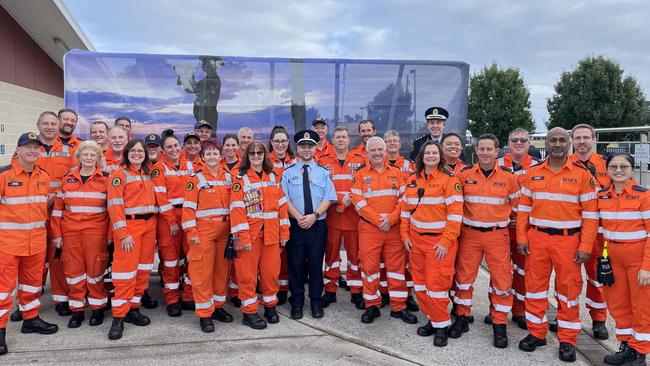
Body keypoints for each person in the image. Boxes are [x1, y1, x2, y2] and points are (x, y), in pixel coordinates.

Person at [516, 127, 599, 362]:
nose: (558, 144)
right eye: (553, 140)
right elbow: (523, 210)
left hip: (569, 242)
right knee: (534, 288)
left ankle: (567, 340)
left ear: (569, 142)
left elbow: (591, 217)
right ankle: (536, 333)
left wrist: (585, 246)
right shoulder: (533, 174)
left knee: (569, 292)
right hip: (537, 240)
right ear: (546, 143)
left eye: (563, 140)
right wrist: (522, 238)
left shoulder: (583, 175)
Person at [450, 134, 518, 348]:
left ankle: (499, 324)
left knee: (501, 281)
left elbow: (519, 208)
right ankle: (462, 316)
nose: (486, 152)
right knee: (464, 278)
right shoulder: (464, 175)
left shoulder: (509, 177)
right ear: (476, 151)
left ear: (497, 152)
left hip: (497, 235)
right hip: (470, 234)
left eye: (490, 149)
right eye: (482, 149)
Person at [400, 140, 463, 347]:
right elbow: (405, 213)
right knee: (420, 285)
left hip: (439, 243)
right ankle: (432, 319)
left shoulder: (449, 180)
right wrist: (406, 237)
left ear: (440, 156)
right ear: (421, 156)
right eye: (427, 153)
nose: (431, 156)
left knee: (437, 287)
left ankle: (442, 326)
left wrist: (445, 242)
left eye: (434, 153)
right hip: (416, 242)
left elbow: (455, 216)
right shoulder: (412, 180)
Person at [0, 133, 59, 356]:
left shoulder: (43, 176)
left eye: (36, 148)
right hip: (8, 244)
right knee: (3, 290)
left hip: (36, 242)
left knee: (32, 286)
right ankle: (0, 330)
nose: (33, 151)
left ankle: (30, 319)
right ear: (18, 149)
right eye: (28, 147)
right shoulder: (4, 175)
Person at [351, 137, 417, 324]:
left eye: (380, 149)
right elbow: (359, 202)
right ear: (367, 152)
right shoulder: (360, 174)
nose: (378, 153)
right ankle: (372, 305)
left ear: (386, 150)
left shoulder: (397, 173)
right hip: (370, 229)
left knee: (396, 269)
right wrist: (380, 221)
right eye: (373, 150)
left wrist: (392, 218)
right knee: (369, 268)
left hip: (393, 229)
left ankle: (398, 306)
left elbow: (404, 199)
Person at [230, 141, 290, 329]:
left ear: (265, 155)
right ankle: (249, 312)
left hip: (271, 235)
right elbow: (237, 210)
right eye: (253, 153)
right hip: (249, 236)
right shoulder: (240, 179)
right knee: (247, 276)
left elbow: (282, 208)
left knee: (271, 273)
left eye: (260, 153)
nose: (256, 156)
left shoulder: (273, 176)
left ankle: (270, 307)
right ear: (247, 156)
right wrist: (244, 238)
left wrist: (284, 231)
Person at [50, 140, 110, 328]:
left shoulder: (106, 179)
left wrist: (109, 236)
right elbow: (58, 211)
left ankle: (98, 308)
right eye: (85, 154)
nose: (89, 158)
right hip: (70, 233)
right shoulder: (67, 179)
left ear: (99, 158)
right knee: (73, 272)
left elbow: (111, 210)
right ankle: (77, 310)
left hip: (96, 233)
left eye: (93, 155)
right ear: (79, 157)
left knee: (95, 271)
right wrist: (57, 234)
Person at [598, 153, 649, 366]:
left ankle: (640, 353)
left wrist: (646, 266)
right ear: (607, 169)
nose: (618, 170)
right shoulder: (602, 195)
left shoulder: (644, 195)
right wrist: (603, 260)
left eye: (623, 166)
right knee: (618, 305)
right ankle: (627, 346)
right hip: (613, 257)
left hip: (638, 258)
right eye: (614, 166)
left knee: (642, 306)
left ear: (631, 169)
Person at [106, 139, 159, 340]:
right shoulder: (119, 175)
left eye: (141, 151)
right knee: (125, 273)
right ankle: (118, 317)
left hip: (149, 226)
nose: (137, 154)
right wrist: (123, 233)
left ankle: (133, 309)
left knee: (143, 271)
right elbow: (114, 206)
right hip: (130, 228)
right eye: (133, 151)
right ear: (127, 153)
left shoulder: (147, 174)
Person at [282, 130, 337, 319]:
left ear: (315, 148)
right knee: (295, 266)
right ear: (297, 148)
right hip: (295, 225)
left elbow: (329, 197)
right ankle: (296, 302)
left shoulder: (323, 173)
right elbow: (284, 198)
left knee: (315, 265)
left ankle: (315, 301)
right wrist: (298, 217)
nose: (306, 149)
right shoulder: (288, 173)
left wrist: (314, 216)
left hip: (317, 225)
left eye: (310, 146)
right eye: (303, 146)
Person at [182, 139, 234, 332]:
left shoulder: (229, 177)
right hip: (203, 232)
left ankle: (218, 307)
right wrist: (191, 232)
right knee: (202, 273)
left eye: (215, 153)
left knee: (222, 272)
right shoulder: (195, 179)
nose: (212, 157)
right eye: (208, 154)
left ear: (221, 156)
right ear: (202, 158)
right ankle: (204, 314)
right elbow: (188, 209)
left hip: (225, 231)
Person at [495, 128, 540, 329]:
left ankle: (520, 310)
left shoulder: (539, 168)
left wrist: (524, 219)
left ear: (529, 143)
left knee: (523, 272)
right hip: (502, 229)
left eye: (523, 140)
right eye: (515, 140)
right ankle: (496, 310)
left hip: (526, 230)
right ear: (508, 142)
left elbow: (541, 200)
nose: (519, 143)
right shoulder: (496, 165)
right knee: (499, 271)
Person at [569, 123, 610, 340]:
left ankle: (599, 319)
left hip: (601, 235)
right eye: (578, 138)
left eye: (586, 137)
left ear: (594, 140)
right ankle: (566, 316)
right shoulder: (565, 165)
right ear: (572, 141)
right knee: (569, 278)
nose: (582, 142)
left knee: (598, 277)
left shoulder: (607, 165)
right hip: (575, 232)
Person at [318, 126, 366, 309]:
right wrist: (339, 201)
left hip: (353, 217)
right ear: (333, 139)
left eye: (343, 137)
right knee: (331, 255)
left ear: (348, 139)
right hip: (331, 217)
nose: (340, 140)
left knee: (355, 257)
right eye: (337, 137)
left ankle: (356, 291)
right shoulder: (323, 161)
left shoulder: (360, 159)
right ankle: (330, 290)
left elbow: (362, 185)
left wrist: (347, 202)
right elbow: (320, 187)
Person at [35, 111, 75, 318]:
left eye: (53, 123)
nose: (49, 127)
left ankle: (61, 299)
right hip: (35, 213)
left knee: (58, 257)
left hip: (59, 212)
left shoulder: (68, 151)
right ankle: (29, 302)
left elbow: (73, 179)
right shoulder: (30, 149)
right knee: (35, 259)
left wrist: (56, 195)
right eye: (45, 123)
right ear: (38, 125)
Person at [152, 132, 195, 316]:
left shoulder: (190, 165)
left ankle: (188, 296)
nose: (174, 149)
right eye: (169, 147)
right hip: (169, 219)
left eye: (176, 146)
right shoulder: (159, 168)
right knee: (170, 260)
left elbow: (195, 192)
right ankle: (171, 299)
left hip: (188, 215)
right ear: (163, 149)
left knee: (191, 258)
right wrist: (171, 220)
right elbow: (160, 197)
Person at [384, 130, 418, 311]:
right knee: (383, 262)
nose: (392, 143)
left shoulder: (409, 165)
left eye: (395, 140)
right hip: (381, 222)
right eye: (388, 141)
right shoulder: (376, 164)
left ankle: (408, 294)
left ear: (400, 143)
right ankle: (384, 292)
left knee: (405, 261)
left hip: (403, 220)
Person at [268, 126, 295, 304]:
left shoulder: (295, 161)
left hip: (294, 214)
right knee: (274, 255)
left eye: (283, 141)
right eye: (276, 141)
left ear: (288, 142)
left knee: (289, 255)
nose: (280, 144)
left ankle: (284, 288)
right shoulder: (265, 161)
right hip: (273, 215)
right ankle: (273, 287)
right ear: (271, 143)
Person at [219, 134, 242, 306]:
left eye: (233, 145)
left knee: (238, 257)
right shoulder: (215, 165)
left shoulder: (244, 166)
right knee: (222, 258)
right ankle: (221, 290)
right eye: (227, 145)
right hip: (222, 218)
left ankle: (235, 292)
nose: (230, 148)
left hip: (240, 217)